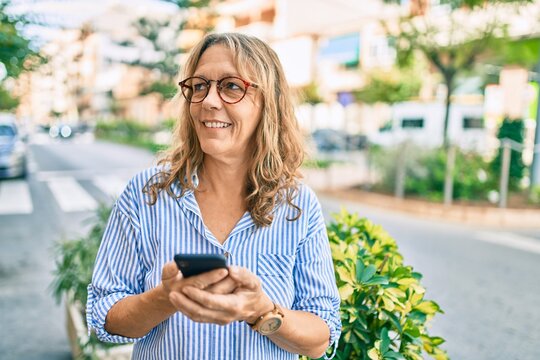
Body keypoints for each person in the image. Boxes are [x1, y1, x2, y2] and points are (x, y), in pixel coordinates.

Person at [87, 32, 341, 360]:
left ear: (269, 103)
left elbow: (320, 337)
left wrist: (261, 311)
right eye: (199, 86)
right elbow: (104, 316)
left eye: (231, 86)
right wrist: (165, 297)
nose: (208, 101)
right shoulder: (146, 194)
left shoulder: (296, 204)